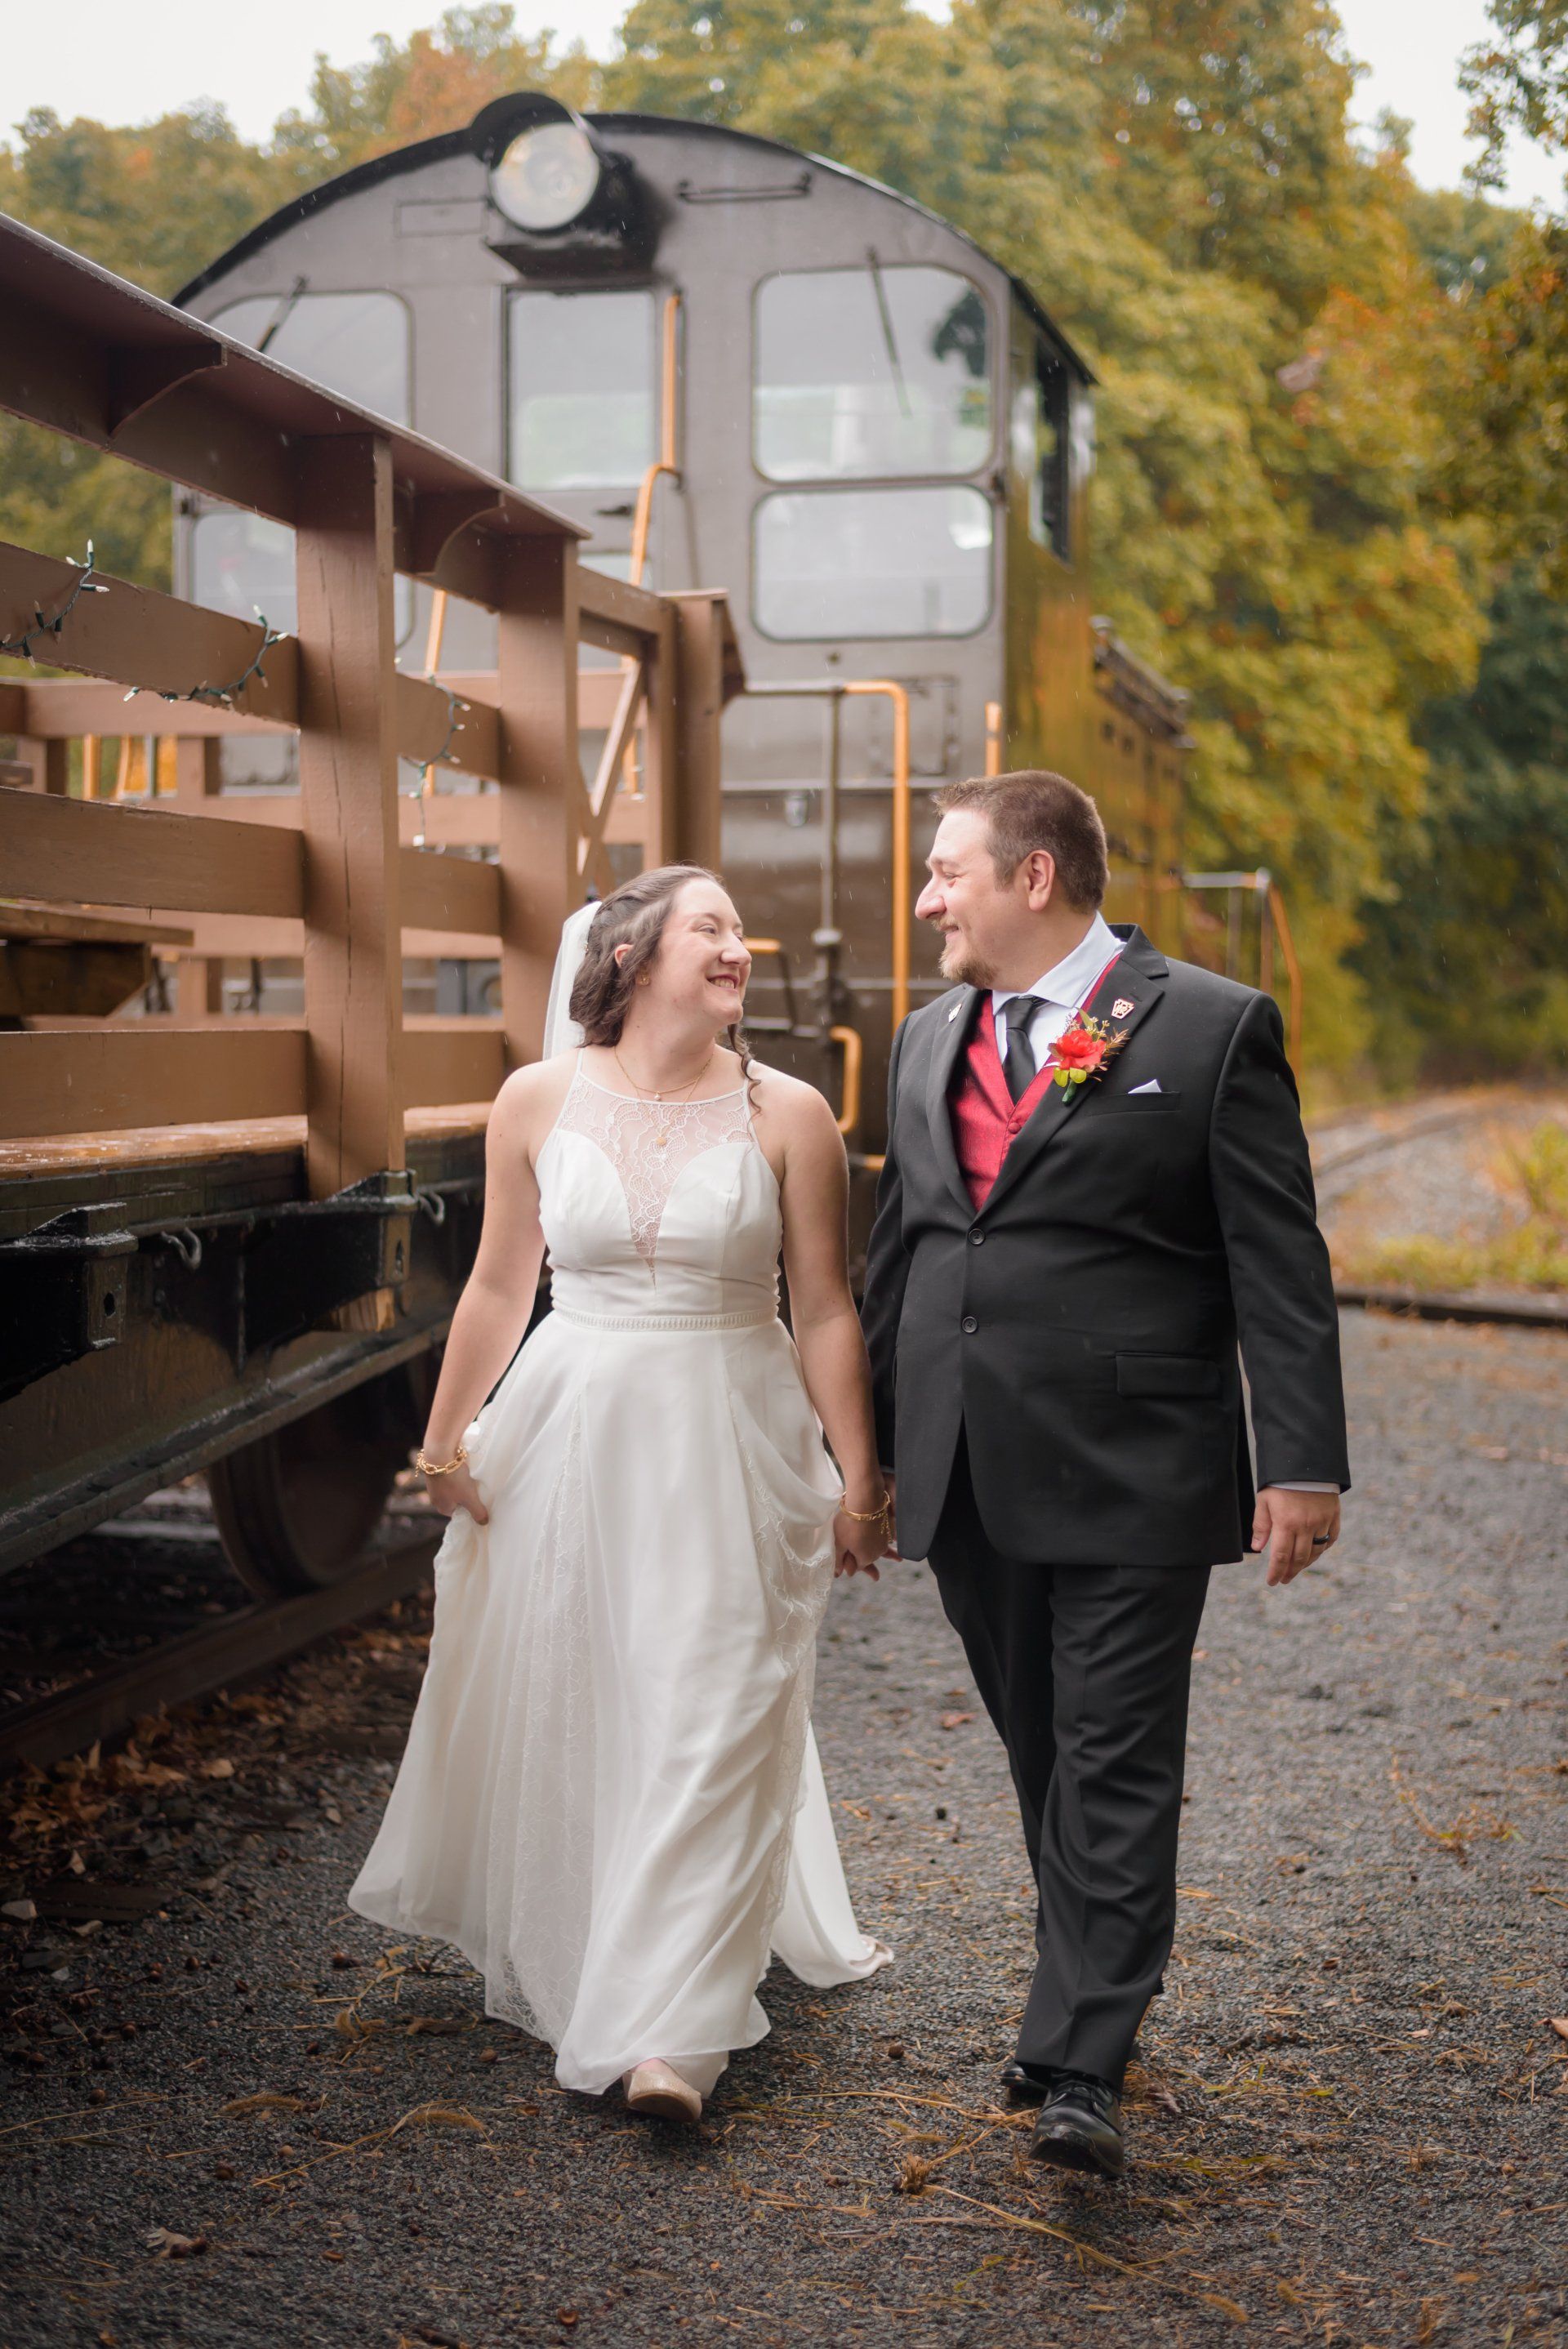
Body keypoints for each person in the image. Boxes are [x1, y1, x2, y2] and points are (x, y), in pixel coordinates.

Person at [861, 770, 1348, 2179]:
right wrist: (868, 1455)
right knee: (1044, 1751)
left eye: (946, 871)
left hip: (1138, 1462)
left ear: (1032, 878)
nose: (925, 899)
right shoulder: (927, 1037)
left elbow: (1279, 1259)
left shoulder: (1207, 1025)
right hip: (968, 1465)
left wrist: (1302, 1461)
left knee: (1117, 1758)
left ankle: (1083, 2059)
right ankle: (1079, 1991)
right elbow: (905, 1253)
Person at [351, 865, 891, 2124]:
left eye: (740, 932)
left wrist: (858, 1475)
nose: (737, 947)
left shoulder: (790, 1114)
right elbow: (497, 1287)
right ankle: (614, 1938)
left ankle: (669, 2040)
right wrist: (441, 1450)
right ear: (632, 956)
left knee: (720, 1699)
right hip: (575, 1431)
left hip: (732, 1438)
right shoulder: (537, 1100)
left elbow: (823, 1307)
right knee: (598, 1691)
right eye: (711, 927)